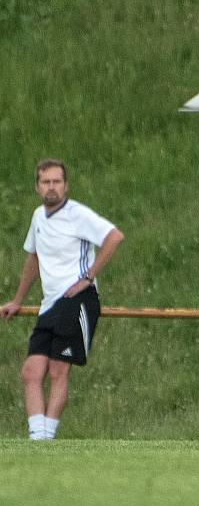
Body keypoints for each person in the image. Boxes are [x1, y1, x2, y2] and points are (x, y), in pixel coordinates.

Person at [1, 159, 124, 440]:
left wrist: (89, 277)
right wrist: (18, 300)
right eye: (46, 182)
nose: (52, 187)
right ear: (37, 187)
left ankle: (47, 435)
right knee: (31, 372)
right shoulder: (37, 217)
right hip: (50, 304)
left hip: (77, 299)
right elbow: (34, 258)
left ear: (65, 186)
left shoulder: (77, 215)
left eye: (57, 182)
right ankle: (37, 436)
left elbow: (115, 237)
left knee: (58, 370)